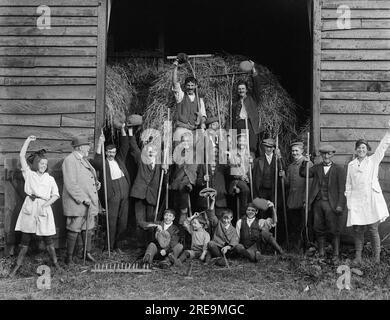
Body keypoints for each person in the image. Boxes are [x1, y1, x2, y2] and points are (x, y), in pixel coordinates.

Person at [9, 136, 61, 277]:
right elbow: (21, 156)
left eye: (45, 163)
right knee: (25, 238)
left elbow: (55, 195)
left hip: (44, 207)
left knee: (48, 239)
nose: (43, 165)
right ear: (36, 164)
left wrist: (45, 204)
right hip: (30, 206)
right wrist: (28, 141)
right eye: (41, 163)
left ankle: (55, 263)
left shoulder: (50, 179)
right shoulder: (29, 175)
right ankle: (17, 266)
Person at [345, 120, 390, 264]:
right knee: (358, 230)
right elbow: (349, 186)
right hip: (357, 201)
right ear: (356, 150)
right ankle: (358, 257)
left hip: (370, 199)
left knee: (372, 229)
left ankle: (376, 258)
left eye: (363, 147)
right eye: (358, 148)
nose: (361, 150)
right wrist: (349, 201)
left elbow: (383, 147)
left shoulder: (373, 161)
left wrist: (389, 131)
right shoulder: (351, 165)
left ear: (367, 149)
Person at [299, 144, 346, 260]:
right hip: (318, 203)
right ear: (321, 155)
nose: (326, 156)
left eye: (328, 153)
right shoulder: (316, 167)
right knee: (318, 228)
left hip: (332, 204)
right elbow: (303, 174)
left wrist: (340, 205)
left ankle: (335, 254)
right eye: (324, 154)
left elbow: (342, 189)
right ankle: (321, 253)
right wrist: (305, 162)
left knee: (334, 229)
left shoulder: (339, 169)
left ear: (332, 154)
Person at [93, 123, 131, 254]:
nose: (111, 154)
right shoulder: (103, 163)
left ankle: (117, 245)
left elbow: (125, 146)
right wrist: (99, 143)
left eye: (113, 152)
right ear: (106, 152)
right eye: (109, 152)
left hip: (124, 192)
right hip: (113, 193)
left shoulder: (119, 159)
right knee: (112, 221)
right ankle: (108, 247)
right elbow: (96, 162)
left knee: (123, 222)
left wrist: (122, 130)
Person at [62, 136, 100, 265]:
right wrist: (83, 198)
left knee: (87, 228)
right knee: (74, 228)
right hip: (77, 202)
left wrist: (96, 183)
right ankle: (69, 258)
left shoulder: (83, 159)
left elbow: (86, 178)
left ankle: (86, 253)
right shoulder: (70, 160)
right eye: (87, 146)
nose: (89, 148)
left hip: (88, 202)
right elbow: (71, 183)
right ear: (80, 147)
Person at [128, 124, 165, 253]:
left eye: (153, 150)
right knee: (140, 221)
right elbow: (133, 146)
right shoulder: (141, 159)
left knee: (152, 221)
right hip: (139, 194)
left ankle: (150, 245)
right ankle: (139, 246)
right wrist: (130, 132)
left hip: (152, 196)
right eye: (148, 150)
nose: (150, 152)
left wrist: (166, 169)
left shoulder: (161, 164)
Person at [280, 141, 313, 252]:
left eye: (296, 150)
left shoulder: (307, 163)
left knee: (302, 225)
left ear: (302, 151)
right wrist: (283, 176)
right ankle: (295, 247)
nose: (294, 153)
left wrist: (306, 200)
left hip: (302, 199)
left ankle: (304, 247)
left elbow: (310, 184)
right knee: (293, 224)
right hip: (292, 199)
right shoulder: (290, 166)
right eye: (293, 151)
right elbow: (287, 184)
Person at [230, 60, 263, 154]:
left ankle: (251, 166)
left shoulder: (253, 99)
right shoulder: (235, 104)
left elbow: (257, 86)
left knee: (251, 147)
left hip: (250, 124)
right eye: (239, 89)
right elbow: (232, 120)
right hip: (239, 124)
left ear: (246, 90)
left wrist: (253, 70)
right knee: (240, 147)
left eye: (243, 88)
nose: (241, 90)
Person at [171, 57, 207, 140]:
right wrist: (175, 68)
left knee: (201, 144)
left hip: (194, 129)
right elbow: (175, 83)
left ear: (196, 86)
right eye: (188, 85)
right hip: (182, 128)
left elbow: (204, 116)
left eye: (192, 85)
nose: (190, 87)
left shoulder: (199, 100)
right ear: (185, 86)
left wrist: (200, 119)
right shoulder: (180, 96)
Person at [170, 132, 198, 225]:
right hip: (178, 177)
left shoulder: (195, 153)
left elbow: (193, 168)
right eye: (183, 141)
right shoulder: (178, 152)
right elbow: (175, 163)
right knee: (176, 193)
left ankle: (184, 211)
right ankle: (175, 219)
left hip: (189, 176)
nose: (185, 143)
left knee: (184, 185)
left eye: (187, 141)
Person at [206, 193, 239, 266]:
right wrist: (213, 201)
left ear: (231, 218)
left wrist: (228, 247)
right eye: (224, 218)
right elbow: (211, 215)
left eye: (228, 218)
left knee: (236, 248)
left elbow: (234, 240)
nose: (226, 220)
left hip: (227, 250)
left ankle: (218, 260)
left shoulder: (233, 229)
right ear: (221, 218)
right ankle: (221, 259)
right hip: (217, 248)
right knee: (210, 244)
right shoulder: (218, 223)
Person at [227, 133, 252, 217]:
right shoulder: (233, 153)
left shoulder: (249, 154)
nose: (242, 143)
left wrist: (252, 164)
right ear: (237, 142)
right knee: (245, 189)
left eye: (244, 141)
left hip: (247, 180)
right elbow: (231, 170)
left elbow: (252, 170)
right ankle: (243, 213)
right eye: (240, 140)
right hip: (236, 180)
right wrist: (240, 176)